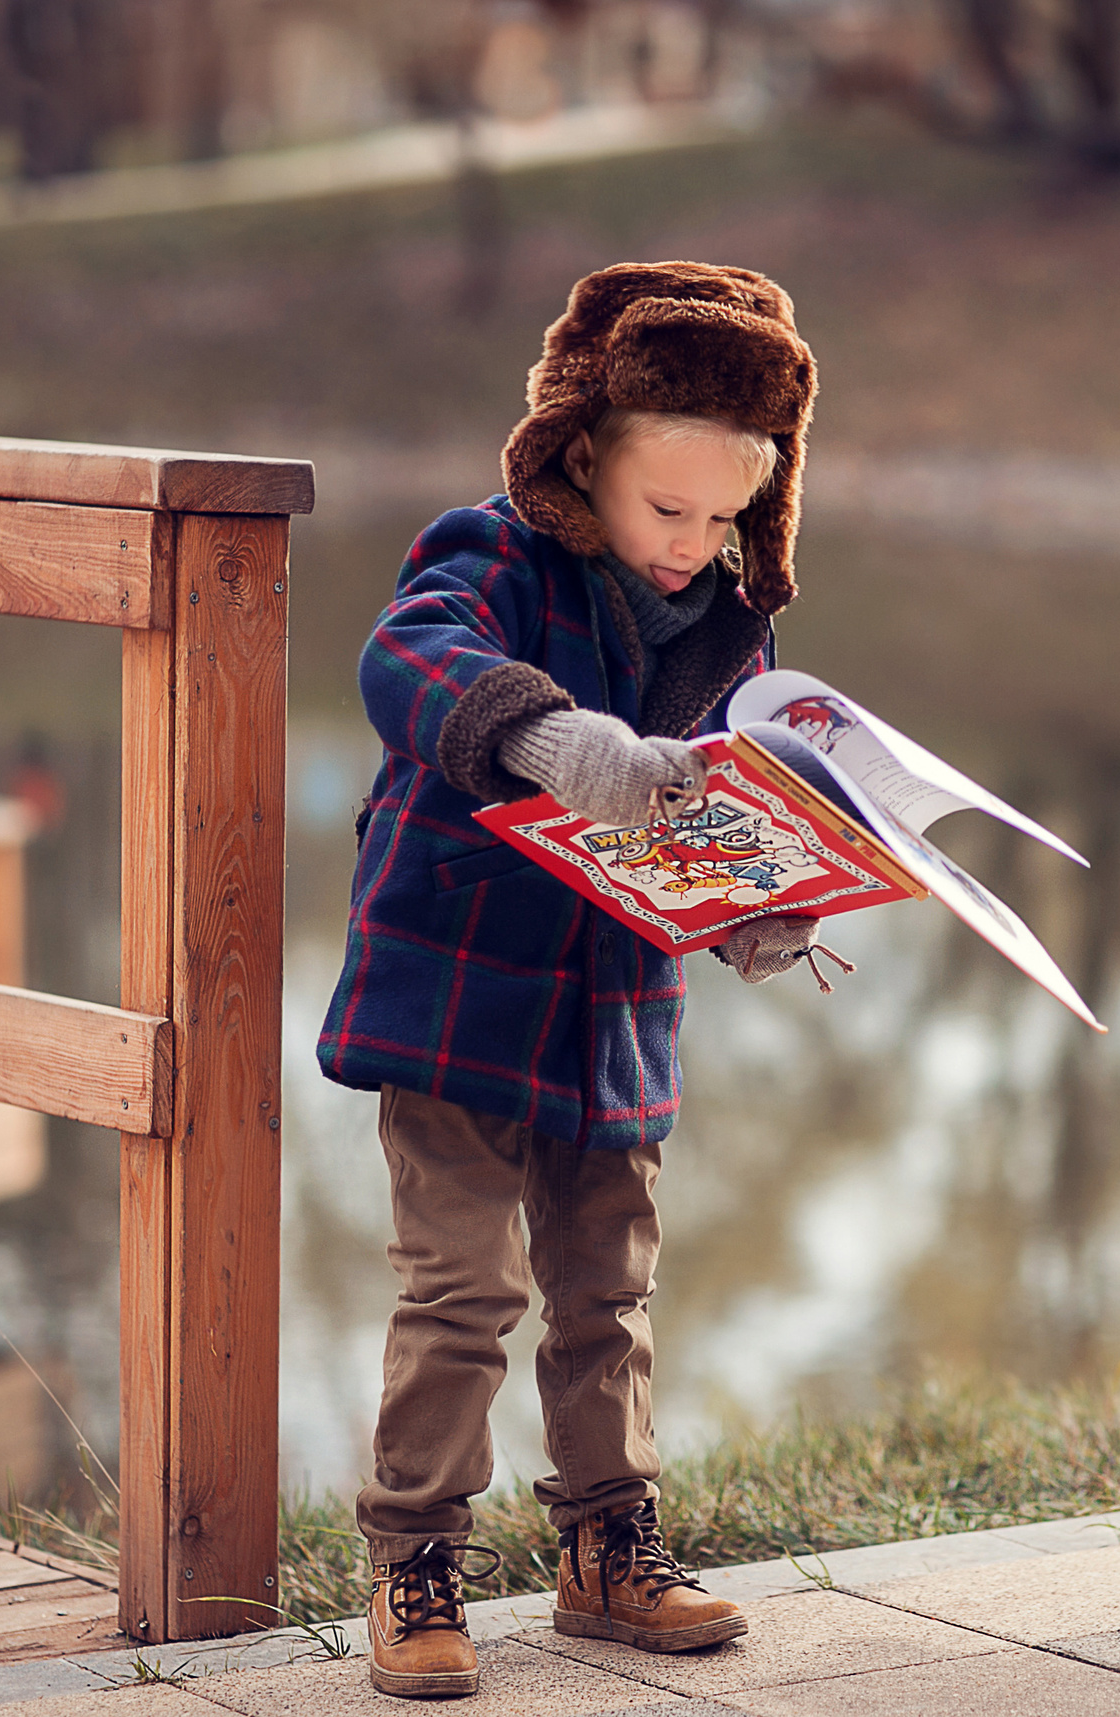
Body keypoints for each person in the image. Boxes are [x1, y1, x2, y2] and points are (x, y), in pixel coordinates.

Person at [316, 262, 831, 1699]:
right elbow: (405, 662)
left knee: (609, 1292)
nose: (691, 545)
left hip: (617, 1010)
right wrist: (555, 741)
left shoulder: (729, 625)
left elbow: (707, 805)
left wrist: (759, 904)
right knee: (463, 1292)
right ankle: (416, 1560)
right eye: (667, 510)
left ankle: (609, 1550)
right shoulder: (489, 556)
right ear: (585, 455)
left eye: (723, 519)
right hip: (462, 989)